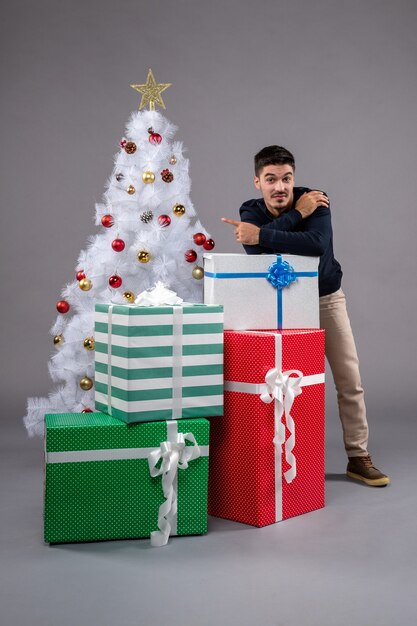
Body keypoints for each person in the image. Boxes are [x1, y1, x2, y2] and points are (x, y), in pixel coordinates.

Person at [222, 145, 389, 487]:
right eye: (271, 179)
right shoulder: (250, 209)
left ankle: (358, 457)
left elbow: (316, 245)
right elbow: (255, 252)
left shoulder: (316, 199)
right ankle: (278, 461)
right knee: (278, 384)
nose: (280, 187)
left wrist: (265, 235)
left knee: (349, 380)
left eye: (286, 178)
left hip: (325, 298)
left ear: (294, 178)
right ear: (258, 182)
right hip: (279, 303)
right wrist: (296, 217)